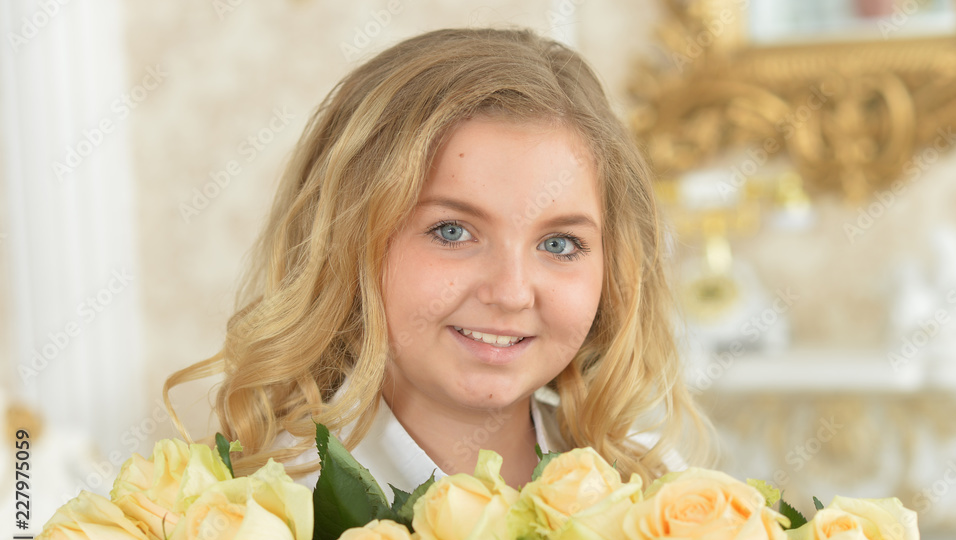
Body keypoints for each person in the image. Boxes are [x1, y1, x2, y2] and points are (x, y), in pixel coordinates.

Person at [163, 27, 713, 495]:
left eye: (559, 244)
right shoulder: (268, 509)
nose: (512, 291)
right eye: (452, 232)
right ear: (345, 247)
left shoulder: (650, 489)